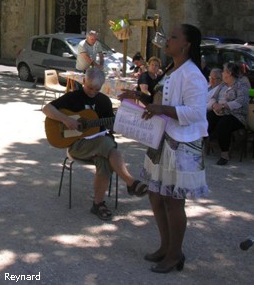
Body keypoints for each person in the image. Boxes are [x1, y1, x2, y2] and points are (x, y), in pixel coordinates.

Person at [119, 24, 208, 274]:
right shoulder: (172, 69)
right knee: (156, 195)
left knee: (172, 201)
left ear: (186, 45)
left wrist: (162, 110)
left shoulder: (193, 75)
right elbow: (162, 102)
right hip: (162, 140)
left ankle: (175, 253)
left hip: (181, 144)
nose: (167, 40)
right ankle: (166, 247)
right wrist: (138, 97)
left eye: (173, 37)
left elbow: (196, 113)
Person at [42, 67, 148, 222]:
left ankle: (98, 204)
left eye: (96, 89)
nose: (92, 92)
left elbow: (110, 126)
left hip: (99, 146)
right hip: (77, 145)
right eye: (89, 87)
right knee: (106, 143)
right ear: (83, 81)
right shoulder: (73, 97)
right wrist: (66, 120)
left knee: (106, 157)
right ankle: (130, 182)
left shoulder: (103, 101)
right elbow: (46, 108)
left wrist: (118, 126)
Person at [206, 62, 249, 165]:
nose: (222, 74)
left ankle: (224, 154)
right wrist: (214, 105)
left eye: (224, 71)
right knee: (208, 118)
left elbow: (240, 102)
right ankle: (204, 143)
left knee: (224, 124)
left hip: (236, 115)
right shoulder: (222, 85)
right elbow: (213, 98)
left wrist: (223, 106)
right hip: (220, 112)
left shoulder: (241, 85)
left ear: (229, 73)